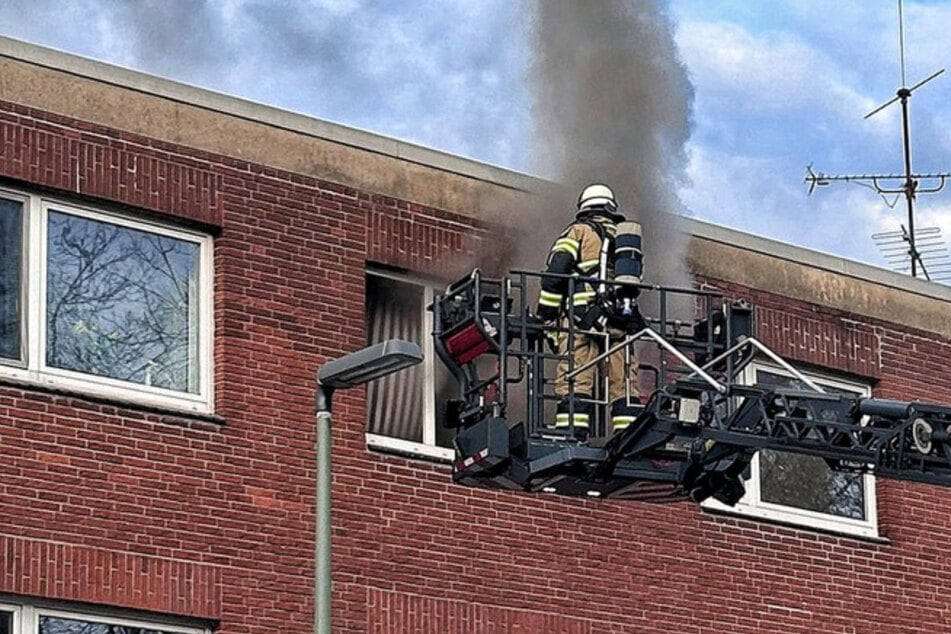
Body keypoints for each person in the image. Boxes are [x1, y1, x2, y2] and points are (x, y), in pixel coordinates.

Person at [535, 183, 645, 440]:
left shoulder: (577, 232)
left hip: (583, 320)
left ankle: (571, 431)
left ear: (584, 207)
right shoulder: (625, 238)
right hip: (622, 320)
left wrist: (546, 315)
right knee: (624, 382)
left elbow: (554, 276)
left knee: (575, 376)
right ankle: (628, 437)